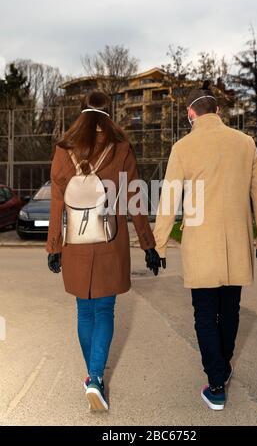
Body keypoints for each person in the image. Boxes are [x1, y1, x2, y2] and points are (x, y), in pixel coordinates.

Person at [153, 81, 257, 411]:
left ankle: (217, 382)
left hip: (200, 247)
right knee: (231, 310)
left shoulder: (183, 148)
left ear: (191, 113)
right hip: (236, 246)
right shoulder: (245, 143)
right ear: (218, 111)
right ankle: (225, 364)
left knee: (205, 315)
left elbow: (169, 200)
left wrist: (158, 245)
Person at [46, 91, 161, 411]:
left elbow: (57, 202)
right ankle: (95, 377)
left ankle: (92, 376)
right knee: (104, 311)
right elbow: (135, 199)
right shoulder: (121, 147)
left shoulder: (63, 149)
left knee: (84, 311)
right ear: (109, 114)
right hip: (110, 240)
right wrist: (148, 245)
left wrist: (54, 245)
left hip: (76, 241)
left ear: (82, 113)